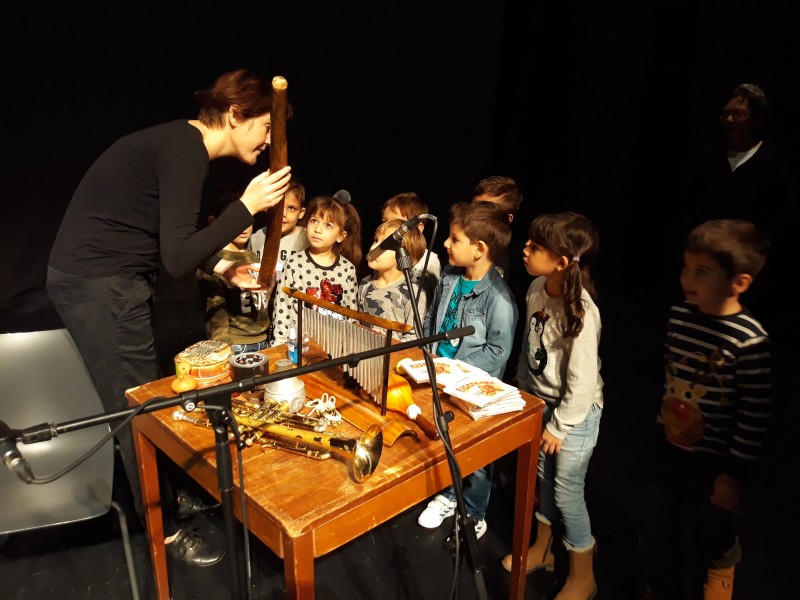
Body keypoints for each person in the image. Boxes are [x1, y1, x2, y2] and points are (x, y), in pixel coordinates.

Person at [45, 68, 292, 565]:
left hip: (110, 281)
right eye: (266, 127)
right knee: (137, 406)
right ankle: (165, 531)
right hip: (99, 285)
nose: (269, 141)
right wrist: (247, 205)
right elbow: (177, 259)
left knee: (148, 396)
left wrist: (225, 267)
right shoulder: (185, 149)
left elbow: (175, 238)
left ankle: (168, 498)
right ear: (236, 114)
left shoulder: (181, 145)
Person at [638, 219, 772, 600]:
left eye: (702, 271)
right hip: (668, 447)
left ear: (739, 282)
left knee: (711, 527)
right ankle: (661, 586)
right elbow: (671, 375)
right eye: (686, 267)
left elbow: (754, 415)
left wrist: (733, 475)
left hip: (713, 461)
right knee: (658, 526)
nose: (687, 278)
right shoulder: (680, 315)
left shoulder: (750, 340)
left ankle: (721, 566)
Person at [502, 211, 602, 600]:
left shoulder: (582, 312)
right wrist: (523, 391)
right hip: (542, 405)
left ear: (560, 262)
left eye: (535, 246)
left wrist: (560, 426)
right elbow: (531, 346)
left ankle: (583, 576)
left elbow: (582, 383)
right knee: (544, 483)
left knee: (566, 493)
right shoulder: (536, 288)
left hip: (574, 416)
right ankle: (543, 550)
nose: (525, 250)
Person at [417, 201, 518, 544]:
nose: (446, 243)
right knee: (446, 439)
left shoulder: (499, 299)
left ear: (479, 249)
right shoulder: (449, 277)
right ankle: (448, 493)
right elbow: (432, 319)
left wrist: (457, 374)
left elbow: (498, 352)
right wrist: (427, 357)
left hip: (468, 387)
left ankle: (474, 509)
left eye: (454, 239)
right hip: (436, 376)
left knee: (476, 454)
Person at [687, 83, 798, 344]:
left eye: (738, 114)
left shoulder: (772, 159)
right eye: (725, 114)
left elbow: (785, 208)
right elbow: (692, 203)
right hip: (712, 254)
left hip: (750, 259)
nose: (729, 120)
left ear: (756, 118)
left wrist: (763, 241)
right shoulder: (710, 157)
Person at [271, 194, 362, 345]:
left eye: (328, 225)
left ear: (341, 236)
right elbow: (283, 308)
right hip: (302, 345)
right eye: (314, 221)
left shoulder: (347, 269)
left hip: (335, 345)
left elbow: (350, 313)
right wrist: (280, 345)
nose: (318, 229)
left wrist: (350, 345)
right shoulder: (294, 263)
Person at [197, 182, 271, 353]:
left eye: (246, 219)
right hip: (237, 344)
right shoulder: (215, 264)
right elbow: (216, 316)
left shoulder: (251, 255)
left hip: (264, 339)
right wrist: (224, 349)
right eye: (235, 220)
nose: (243, 226)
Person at [358, 219, 427, 341]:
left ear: (402, 255)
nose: (373, 247)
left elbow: (414, 337)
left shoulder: (413, 293)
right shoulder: (365, 283)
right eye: (376, 240)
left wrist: (389, 344)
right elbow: (358, 322)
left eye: (384, 245)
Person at [380, 192, 440, 310]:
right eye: (384, 222)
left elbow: (433, 301)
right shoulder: (384, 254)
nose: (387, 228)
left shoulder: (430, 261)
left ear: (418, 228)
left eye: (396, 223)